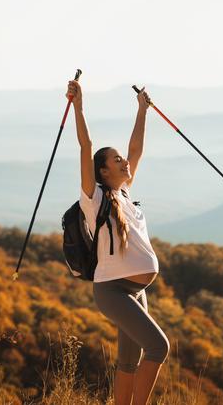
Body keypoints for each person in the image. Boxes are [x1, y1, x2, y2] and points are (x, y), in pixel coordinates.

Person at [67, 79, 170, 405]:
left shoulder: (124, 194)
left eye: (122, 158)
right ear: (102, 171)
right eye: (116, 160)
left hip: (135, 291)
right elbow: (86, 146)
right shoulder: (94, 199)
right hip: (112, 289)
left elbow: (137, 149)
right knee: (158, 347)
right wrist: (78, 108)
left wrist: (142, 110)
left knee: (128, 362)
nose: (125, 161)